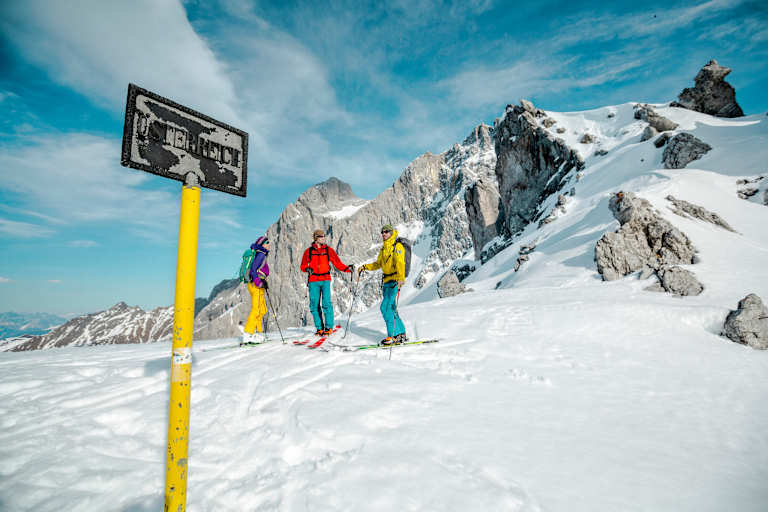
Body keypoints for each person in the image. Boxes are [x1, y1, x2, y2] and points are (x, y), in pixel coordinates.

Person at [358, 224, 407, 345]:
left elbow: (401, 262)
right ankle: (401, 334)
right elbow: (378, 264)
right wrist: (365, 267)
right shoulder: (384, 248)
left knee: (384, 307)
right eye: (382, 232)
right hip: (386, 282)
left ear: (391, 233)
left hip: (394, 281)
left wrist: (401, 279)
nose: (383, 234)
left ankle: (393, 336)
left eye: (386, 232)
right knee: (391, 308)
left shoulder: (397, 246)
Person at [300, 229, 353, 335]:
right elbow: (303, 266)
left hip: (325, 280)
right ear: (316, 238)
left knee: (326, 303)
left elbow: (337, 263)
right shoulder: (309, 251)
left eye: (324, 236)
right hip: (313, 280)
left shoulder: (328, 250)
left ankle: (328, 327)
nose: (324, 238)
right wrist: (307, 268)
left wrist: (347, 269)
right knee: (314, 305)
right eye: (321, 236)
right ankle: (319, 328)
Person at [241, 236, 270, 345]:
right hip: (256, 286)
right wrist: (259, 282)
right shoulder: (261, 255)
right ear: (262, 244)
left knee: (262, 309)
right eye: (267, 242)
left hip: (258, 285)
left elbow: (259, 271)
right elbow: (253, 270)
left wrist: (263, 282)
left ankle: (258, 332)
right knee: (256, 309)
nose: (269, 243)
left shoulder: (261, 254)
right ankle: (248, 334)